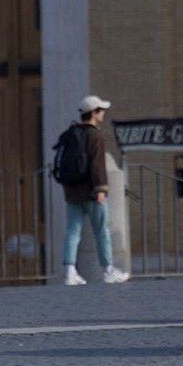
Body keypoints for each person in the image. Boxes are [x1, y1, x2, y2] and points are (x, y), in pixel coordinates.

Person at [61, 95, 130, 285]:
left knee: (72, 232)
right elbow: (97, 166)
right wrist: (101, 189)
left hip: (72, 192)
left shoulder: (72, 134)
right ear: (94, 113)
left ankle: (69, 270)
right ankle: (108, 270)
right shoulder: (95, 135)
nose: (104, 114)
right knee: (102, 232)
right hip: (92, 193)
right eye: (101, 110)